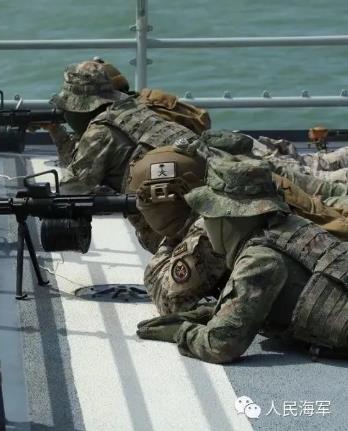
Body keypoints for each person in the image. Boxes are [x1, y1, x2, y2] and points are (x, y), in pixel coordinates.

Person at [136, 156, 348, 363]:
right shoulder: (293, 225)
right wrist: (210, 313)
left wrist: (180, 331)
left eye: (207, 214)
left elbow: (219, 345)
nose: (204, 223)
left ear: (226, 217)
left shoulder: (259, 260)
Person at [127, 141, 348, 315]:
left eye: (145, 201)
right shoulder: (235, 192)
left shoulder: (213, 227)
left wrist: (169, 239)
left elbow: (170, 300)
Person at [48, 60, 199, 252]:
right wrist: (56, 131)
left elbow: (72, 188)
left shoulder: (101, 131)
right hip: (202, 200)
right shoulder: (137, 109)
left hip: (175, 222)